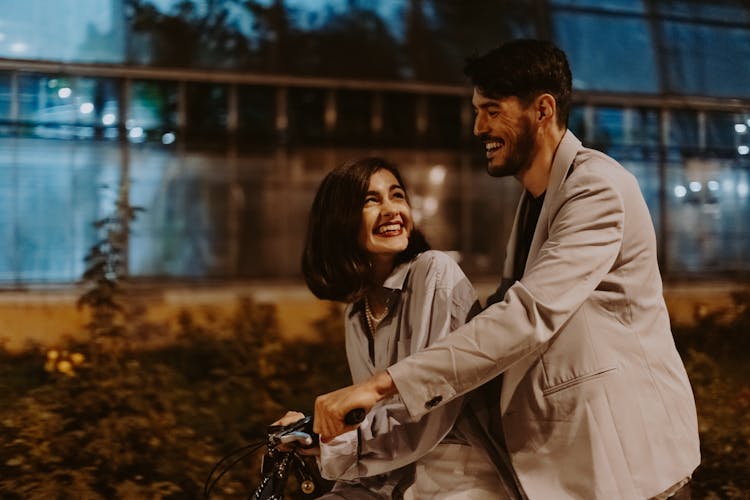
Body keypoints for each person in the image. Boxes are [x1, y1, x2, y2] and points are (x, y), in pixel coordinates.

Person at [312, 39, 701, 499]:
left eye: (492, 110)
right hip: (573, 460)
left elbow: (527, 315)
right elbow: (499, 316)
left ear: (542, 110)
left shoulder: (597, 187)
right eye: (477, 111)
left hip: (631, 459)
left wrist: (382, 385)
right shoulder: (535, 202)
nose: (478, 127)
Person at [277, 157, 520, 498]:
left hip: (458, 476)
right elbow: (373, 415)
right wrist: (312, 429)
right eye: (371, 200)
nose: (392, 210)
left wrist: (327, 443)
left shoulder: (433, 272)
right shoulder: (355, 315)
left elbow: (424, 416)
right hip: (392, 476)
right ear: (339, 221)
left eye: (397, 196)